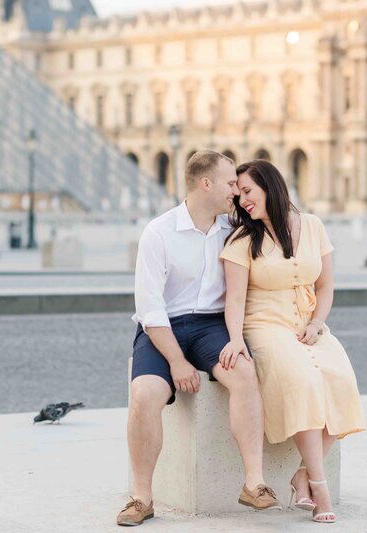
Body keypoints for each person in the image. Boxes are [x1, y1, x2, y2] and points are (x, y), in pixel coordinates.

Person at [118, 151, 281, 527]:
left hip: (212, 326)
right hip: (163, 329)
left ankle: (254, 482)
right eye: (229, 185)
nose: (236, 194)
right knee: (144, 393)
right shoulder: (158, 232)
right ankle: (142, 497)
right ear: (205, 184)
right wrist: (177, 362)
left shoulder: (235, 229)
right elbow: (151, 309)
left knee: (243, 373)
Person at [219, 159, 366, 524]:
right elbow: (234, 299)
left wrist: (318, 323)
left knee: (342, 382)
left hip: (308, 325)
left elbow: (325, 285)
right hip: (265, 325)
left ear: (271, 186)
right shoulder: (241, 239)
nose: (243, 202)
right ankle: (320, 485)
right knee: (304, 381)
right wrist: (236, 339)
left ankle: (301, 474)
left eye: (249, 192)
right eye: (239, 197)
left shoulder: (313, 225)